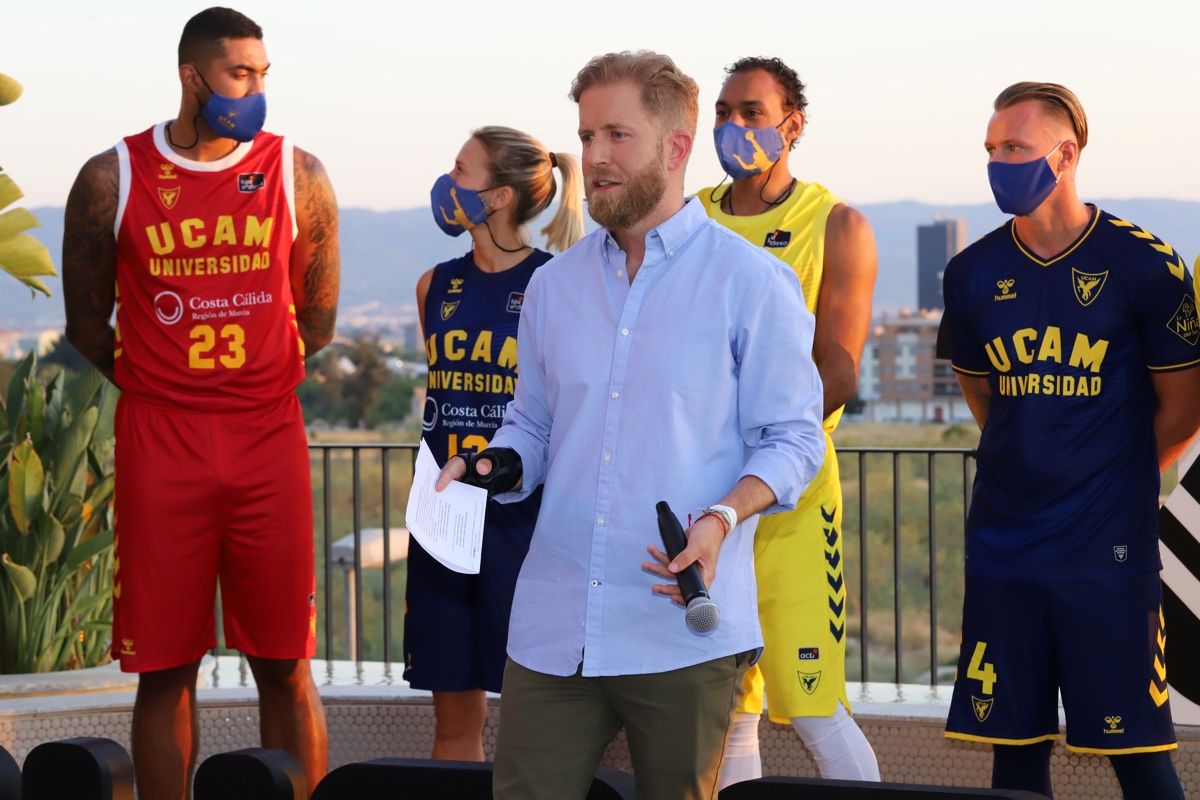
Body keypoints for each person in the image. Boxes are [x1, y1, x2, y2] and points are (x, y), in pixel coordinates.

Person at [436, 50, 826, 800]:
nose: (594, 157)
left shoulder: (752, 283)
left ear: (676, 147)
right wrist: (497, 465)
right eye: (586, 137)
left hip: (679, 630)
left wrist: (720, 518)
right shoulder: (554, 286)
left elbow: (794, 439)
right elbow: (533, 424)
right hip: (554, 629)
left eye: (617, 135)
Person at [61, 8, 339, 798]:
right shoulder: (111, 178)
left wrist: (237, 378)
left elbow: (315, 320)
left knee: (285, 661)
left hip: (265, 434)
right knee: (164, 664)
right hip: (161, 438)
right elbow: (88, 326)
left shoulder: (297, 174)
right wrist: (170, 383)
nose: (255, 91)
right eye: (238, 75)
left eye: (262, 75)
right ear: (192, 77)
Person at [938, 82, 1200, 799]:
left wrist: (1110, 476)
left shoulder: (1147, 264)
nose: (997, 162)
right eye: (991, 149)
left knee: (1141, 758)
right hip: (1004, 550)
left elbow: (1184, 407)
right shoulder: (970, 273)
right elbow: (984, 397)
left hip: (1107, 556)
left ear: (1066, 154)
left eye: (1013, 148)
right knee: (1013, 758)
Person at [699, 57, 880, 786]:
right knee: (732, 709)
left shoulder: (836, 224)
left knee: (811, 707)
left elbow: (837, 371)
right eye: (723, 111)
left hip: (791, 501)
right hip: (707, 499)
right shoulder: (691, 219)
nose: (733, 127)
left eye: (751, 112)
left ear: (791, 125)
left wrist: (751, 437)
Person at [407, 126, 584, 760]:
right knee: (453, 723)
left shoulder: (558, 283)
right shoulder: (435, 285)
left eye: (461, 170)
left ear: (500, 195)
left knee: (535, 721)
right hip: (445, 516)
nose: (447, 183)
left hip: (522, 519)